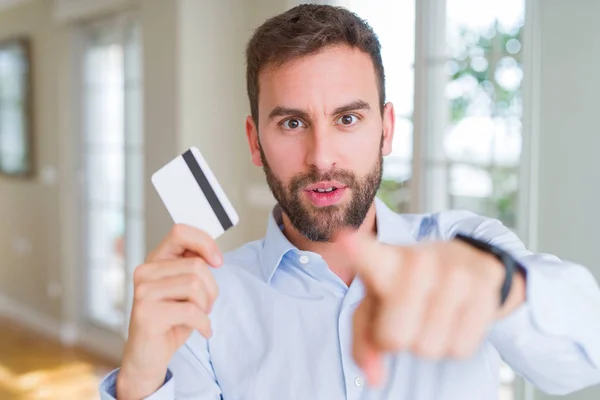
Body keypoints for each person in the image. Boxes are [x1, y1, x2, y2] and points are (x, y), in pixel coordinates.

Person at [100, 4, 600, 400]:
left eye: (347, 119)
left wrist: (502, 286)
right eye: (292, 123)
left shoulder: (468, 247)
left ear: (387, 129)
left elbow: (581, 359)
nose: (322, 158)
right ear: (255, 142)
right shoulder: (202, 300)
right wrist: (141, 382)